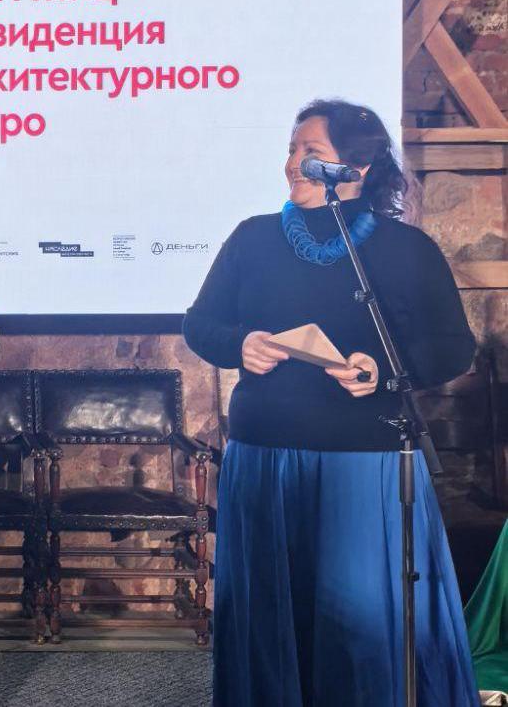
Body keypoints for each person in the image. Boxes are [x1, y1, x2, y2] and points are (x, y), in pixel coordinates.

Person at [183, 99, 480, 706]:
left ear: (356, 169)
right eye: (292, 150)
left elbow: (454, 347)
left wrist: (385, 370)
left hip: (364, 458)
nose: (293, 162)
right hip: (265, 455)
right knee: (271, 612)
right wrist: (240, 343)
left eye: (310, 152)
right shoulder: (252, 238)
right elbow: (200, 324)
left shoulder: (405, 248)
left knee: (360, 620)